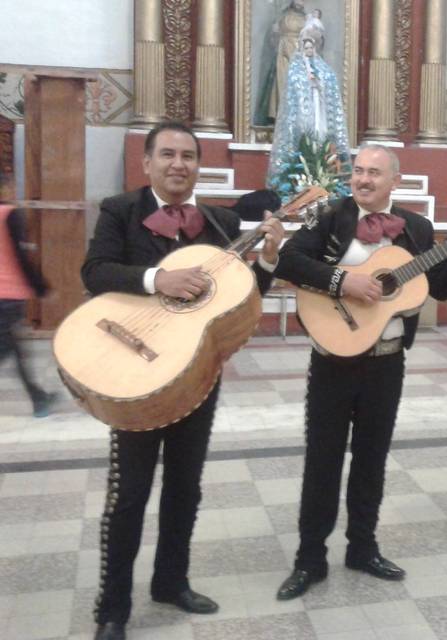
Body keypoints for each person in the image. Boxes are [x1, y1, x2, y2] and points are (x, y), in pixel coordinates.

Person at [82, 122, 284, 640]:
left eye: (189, 156)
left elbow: (245, 292)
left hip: (197, 373)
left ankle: (171, 582)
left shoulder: (219, 224)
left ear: (198, 166)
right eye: (167, 154)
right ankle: (112, 608)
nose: (179, 164)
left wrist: (266, 256)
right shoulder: (120, 211)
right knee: (128, 496)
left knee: (185, 488)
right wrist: (157, 280)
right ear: (147, 162)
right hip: (136, 372)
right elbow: (96, 271)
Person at [273, 144, 447, 599]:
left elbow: (440, 287)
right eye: (358, 171)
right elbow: (289, 259)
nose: (363, 180)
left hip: (387, 361)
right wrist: (344, 280)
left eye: (374, 173)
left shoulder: (416, 228)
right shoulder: (330, 216)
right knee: (323, 461)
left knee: (372, 460)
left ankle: (363, 547)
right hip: (333, 359)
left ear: (395, 180)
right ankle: (309, 559)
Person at [0, 171, 57, 417]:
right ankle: (39, 398)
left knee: (14, 349)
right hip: (8, 295)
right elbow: (22, 257)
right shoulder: (10, 214)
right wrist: (41, 287)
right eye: (9, 184)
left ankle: (39, 397)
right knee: (8, 349)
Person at [267, 36, 351, 192]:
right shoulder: (295, 70)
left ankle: (325, 175)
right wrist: (307, 82)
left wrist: (318, 84)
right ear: (301, 49)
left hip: (319, 109)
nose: (309, 51)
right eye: (306, 48)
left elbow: (329, 83)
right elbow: (292, 94)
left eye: (311, 48)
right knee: (306, 136)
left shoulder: (323, 69)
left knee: (321, 133)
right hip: (303, 115)